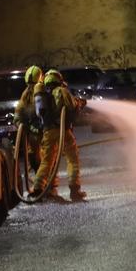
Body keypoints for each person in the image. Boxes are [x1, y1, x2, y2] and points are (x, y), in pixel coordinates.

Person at [30, 69, 87, 202]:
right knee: (72, 158)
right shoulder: (62, 91)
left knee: (46, 161)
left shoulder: (44, 94)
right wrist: (80, 103)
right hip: (62, 131)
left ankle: (38, 189)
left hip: (48, 132)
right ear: (58, 80)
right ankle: (74, 189)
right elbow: (71, 106)